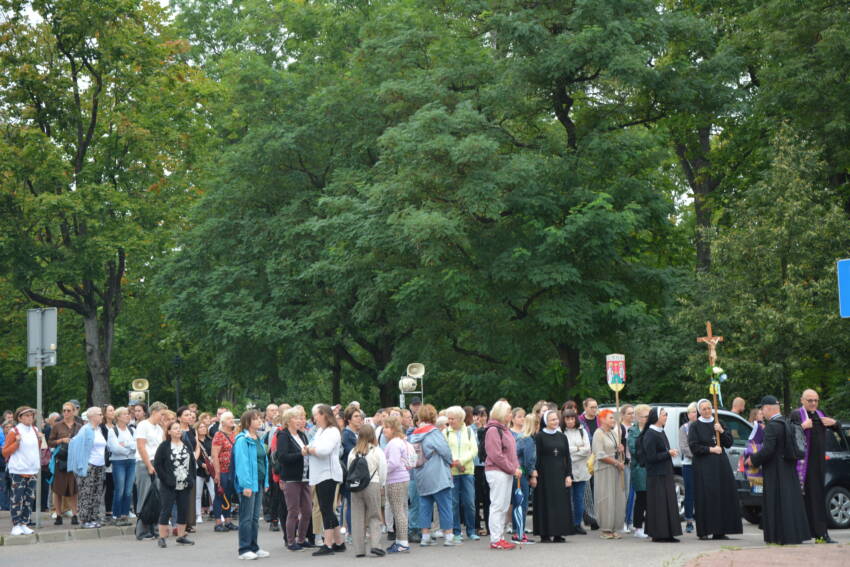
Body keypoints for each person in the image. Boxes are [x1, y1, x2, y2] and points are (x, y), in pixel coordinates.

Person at [746, 396, 811, 544]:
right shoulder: (787, 422)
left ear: (768, 408)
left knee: (777, 502)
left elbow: (768, 449)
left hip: (776, 471)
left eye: (762, 409)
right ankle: (794, 534)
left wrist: (753, 459)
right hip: (789, 468)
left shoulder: (772, 426)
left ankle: (779, 535)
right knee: (790, 502)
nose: (762, 412)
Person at [789, 389, 840, 543]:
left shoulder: (820, 413)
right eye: (810, 400)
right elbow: (787, 433)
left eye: (815, 400)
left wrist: (835, 423)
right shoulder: (796, 414)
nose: (813, 403)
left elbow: (836, 428)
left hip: (818, 465)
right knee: (801, 499)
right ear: (802, 400)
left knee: (817, 498)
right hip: (802, 465)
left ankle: (821, 533)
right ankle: (801, 533)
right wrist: (802, 427)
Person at [688, 399, 743, 540]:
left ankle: (720, 530)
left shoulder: (719, 423)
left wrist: (722, 431)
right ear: (699, 411)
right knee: (706, 497)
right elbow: (694, 447)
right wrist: (711, 449)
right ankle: (705, 530)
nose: (707, 411)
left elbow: (729, 443)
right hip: (703, 465)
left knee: (722, 495)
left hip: (720, 465)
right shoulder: (695, 426)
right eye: (704, 409)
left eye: (709, 408)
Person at [409, 403, 455, 547]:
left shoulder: (414, 434)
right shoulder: (434, 432)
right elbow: (445, 451)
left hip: (421, 474)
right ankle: (448, 537)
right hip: (437, 473)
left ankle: (425, 536)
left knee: (425, 505)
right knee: (445, 505)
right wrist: (451, 462)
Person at [306, 404, 345, 556]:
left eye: (316, 414)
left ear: (324, 415)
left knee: (326, 509)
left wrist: (309, 450)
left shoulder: (332, 431)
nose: (314, 418)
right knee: (326, 508)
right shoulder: (321, 431)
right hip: (319, 474)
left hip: (328, 474)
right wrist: (309, 448)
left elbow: (323, 451)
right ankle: (339, 542)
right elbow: (311, 445)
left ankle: (328, 544)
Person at [640, 407, 682, 543]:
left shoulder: (660, 431)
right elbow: (651, 457)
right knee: (658, 505)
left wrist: (669, 452)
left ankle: (668, 533)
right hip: (656, 475)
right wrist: (668, 453)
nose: (666, 417)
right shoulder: (650, 434)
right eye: (664, 415)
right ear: (657, 417)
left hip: (665, 472)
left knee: (668, 504)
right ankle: (658, 534)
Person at [233, 409, 270, 559]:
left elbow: (264, 462)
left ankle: (254, 546)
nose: (259, 421)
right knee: (246, 517)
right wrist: (246, 485)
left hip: (259, 481)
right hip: (249, 483)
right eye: (255, 419)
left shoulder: (258, 438)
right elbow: (242, 465)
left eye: (260, 418)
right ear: (247, 422)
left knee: (255, 517)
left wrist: (266, 481)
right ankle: (244, 549)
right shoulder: (242, 440)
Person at [483, 400, 520, 550]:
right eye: (509, 412)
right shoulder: (493, 430)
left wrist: (516, 467)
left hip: (506, 471)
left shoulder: (505, 429)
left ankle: (500, 536)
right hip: (497, 471)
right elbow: (496, 455)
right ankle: (495, 539)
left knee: (504, 506)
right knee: (497, 505)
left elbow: (512, 452)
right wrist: (513, 469)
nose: (510, 415)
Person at [532, 409, 574, 543]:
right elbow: (535, 457)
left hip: (560, 474)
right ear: (546, 421)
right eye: (552, 420)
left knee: (560, 504)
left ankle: (558, 533)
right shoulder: (539, 437)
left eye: (556, 419)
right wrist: (534, 474)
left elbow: (567, 457)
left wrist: (568, 475)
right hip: (544, 475)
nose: (555, 422)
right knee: (545, 503)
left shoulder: (562, 437)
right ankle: (545, 534)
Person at [153, 421, 196, 548]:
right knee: (166, 509)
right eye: (175, 428)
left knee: (183, 510)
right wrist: (165, 479)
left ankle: (181, 536)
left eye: (179, 428)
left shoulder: (186, 444)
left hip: (184, 483)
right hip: (169, 484)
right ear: (169, 432)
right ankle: (162, 537)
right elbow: (158, 465)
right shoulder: (164, 446)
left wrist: (191, 478)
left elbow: (192, 462)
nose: (178, 430)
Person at [347, 424, 387, 558]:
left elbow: (349, 470)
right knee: (374, 515)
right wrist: (381, 484)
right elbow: (383, 471)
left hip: (356, 487)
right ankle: (375, 545)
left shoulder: (353, 452)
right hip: (372, 484)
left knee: (357, 517)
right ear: (373, 436)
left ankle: (359, 549)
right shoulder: (377, 451)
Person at [2, 407, 43, 535]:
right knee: (17, 498)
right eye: (26, 416)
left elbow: (36, 448)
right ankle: (16, 525)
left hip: (32, 469)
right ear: (19, 418)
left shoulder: (35, 430)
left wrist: (40, 439)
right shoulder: (14, 431)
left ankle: (24, 523)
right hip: (18, 470)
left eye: (31, 415)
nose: (30, 418)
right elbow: (5, 452)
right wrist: (17, 443)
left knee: (29, 498)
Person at [277, 405, 312, 551]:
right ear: (288, 420)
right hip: (291, 478)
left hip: (305, 478)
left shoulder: (302, 435)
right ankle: (291, 542)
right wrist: (301, 454)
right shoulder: (283, 435)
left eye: (300, 418)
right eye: (296, 418)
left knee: (308, 510)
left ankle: (302, 539)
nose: (299, 421)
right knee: (293, 511)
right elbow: (282, 457)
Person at [68, 406, 107, 529]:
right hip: (89, 466)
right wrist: (81, 465)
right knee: (86, 493)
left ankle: (93, 518)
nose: (102, 416)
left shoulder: (99, 429)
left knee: (96, 493)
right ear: (93, 416)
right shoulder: (86, 430)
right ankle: (84, 520)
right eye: (100, 414)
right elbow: (75, 445)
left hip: (100, 465)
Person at [445, 405, 478, 544]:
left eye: (452, 418)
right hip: (452, 471)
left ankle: (471, 530)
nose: (450, 421)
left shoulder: (469, 431)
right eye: (449, 418)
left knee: (469, 502)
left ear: (460, 419)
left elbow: (474, 450)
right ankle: (456, 531)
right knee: (453, 503)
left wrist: (461, 461)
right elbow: (444, 450)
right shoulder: (445, 432)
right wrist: (454, 462)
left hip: (467, 470)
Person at [135, 401, 167, 539]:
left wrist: (165, 428)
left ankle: (153, 527)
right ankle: (142, 530)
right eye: (162, 414)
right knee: (145, 496)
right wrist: (149, 465)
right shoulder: (143, 425)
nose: (163, 417)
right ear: (154, 412)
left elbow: (164, 444)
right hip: (145, 463)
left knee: (156, 497)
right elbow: (141, 446)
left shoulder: (158, 428)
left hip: (157, 462)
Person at [592, 409, 626, 539]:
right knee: (606, 498)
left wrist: (620, 450)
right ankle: (606, 528)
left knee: (617, 497)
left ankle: (615, 527)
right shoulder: (598, 434)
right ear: (602, 419)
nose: (613, 420)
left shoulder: (613, 433)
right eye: (611, 418)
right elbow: (599, 454)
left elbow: (617, 450)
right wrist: (616, 463)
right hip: (604, 469)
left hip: (615, 469)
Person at [48, 401, 82, 526]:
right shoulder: (57, 426)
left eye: (69, 410)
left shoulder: (79, 426)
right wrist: (61, 440)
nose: (66, 413)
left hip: (74, 460)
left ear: (74, 411)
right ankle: (58, 514)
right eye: (64, 410)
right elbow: (50, 442)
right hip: (61, 460)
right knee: (58, 489)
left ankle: (74, 514)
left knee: (73, 489)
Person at [382, 415, 410, 553]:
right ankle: (400, 540)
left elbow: (393, 463)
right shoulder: (399, 441)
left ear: (393, 429)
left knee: (398, 511)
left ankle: (403, 542)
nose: (384, 430)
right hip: (400, 478)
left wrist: (382, 471)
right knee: (400, 510)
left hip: (395, 479)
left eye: (386, 427)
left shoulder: (393, 443)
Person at [107, 407, 137, 526]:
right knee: (120, 489)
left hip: (131, 461)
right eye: (124, 414)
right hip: (118, 462)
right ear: (118, 417)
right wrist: (128, 449)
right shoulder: (112, 431)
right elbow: (115, 448)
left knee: (129, 490)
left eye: (128, 414)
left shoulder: (132, 430)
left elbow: (135, 445)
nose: (127, 416)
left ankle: (125, 515)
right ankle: (116, 515)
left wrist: (125, 445)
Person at [563, 408, 591, 534]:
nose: (570, 421)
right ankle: (568, 523)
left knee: (579, 498)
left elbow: (588, 450)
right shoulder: (561, 432)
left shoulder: (582, 431)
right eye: (567, 419)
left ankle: (577, 523)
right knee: (567, 499)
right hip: (567, 471)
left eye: (572, 418)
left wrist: (573, 451)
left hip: (581, 470)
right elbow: (564, 451)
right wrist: (578, 449)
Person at [512, 411, 537, 544]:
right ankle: (520, 534)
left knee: (517, 503)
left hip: (517, 472)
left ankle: (517, 531)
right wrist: (531, 473)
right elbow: (528, 460)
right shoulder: (528, 439)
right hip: (522, 473)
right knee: (522, 504)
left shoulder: (520, 437)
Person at [211, 411, 238, 532]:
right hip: (222, 470)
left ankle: (228, 521)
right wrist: (217, 473)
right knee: (219, 495)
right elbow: (214, 455)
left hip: (232, 470)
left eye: (232, 418)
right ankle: (218, 522)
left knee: (228, 495)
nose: (232, 420)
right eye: (229, 419)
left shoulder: (233, 434)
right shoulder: (219, 435)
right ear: (222, 422)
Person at [628, 404, 650, 539]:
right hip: (639, 468)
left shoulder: (650, 430)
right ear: (637, 417)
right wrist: (649, 454)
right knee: (641, 499)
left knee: (650, 500)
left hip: (650, 468)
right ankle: (638, 527)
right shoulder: (633, 431)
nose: (647, 419)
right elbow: (633, 449)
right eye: (644, 416)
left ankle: (650, 526)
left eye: (648, 416)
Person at [678, 402, 697, 533]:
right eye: (692, 412)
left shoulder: (704, 426)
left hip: (702, 466)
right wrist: (697, 457)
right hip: (689, 465)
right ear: (688, 414)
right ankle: (689, 520)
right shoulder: (684, 428)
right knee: (689, 493)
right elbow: (684, 447)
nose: (695, 414)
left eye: (697, 411)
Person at [471, 405, 490, 537]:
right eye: (479, 415)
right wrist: (478, 429)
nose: (482, 418)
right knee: (476, 498)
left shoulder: (490, 429)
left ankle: (489, 526)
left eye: (484, 415)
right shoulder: (468, 430)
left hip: (488, 465)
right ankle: (476, 526)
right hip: (475, 466)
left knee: (488, 497)